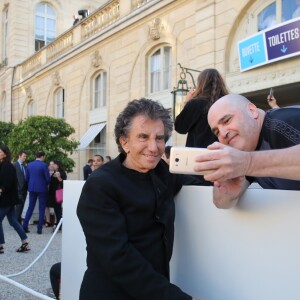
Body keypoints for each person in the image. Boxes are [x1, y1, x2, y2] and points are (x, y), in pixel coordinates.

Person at [77, 98, 203, 300]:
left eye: (160, 138)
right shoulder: (100, 186)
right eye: (143, 137)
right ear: (124, 141)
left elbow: (201, 184)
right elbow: (119, 259)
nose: (154, 147)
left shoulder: (163, 173)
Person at [193, 94, 300, 209]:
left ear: (252, 111)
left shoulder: (286, 121)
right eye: (217, 132)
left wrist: (248, 163)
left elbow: (249, 163)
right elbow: (222, 203)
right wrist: (225, 191)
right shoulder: (247, 149)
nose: (223, 133)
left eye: (227, 120)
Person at [174, 68, 228, 148]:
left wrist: (187, 102)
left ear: (201, 84)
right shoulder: (227, 102)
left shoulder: (195, 104)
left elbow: (180, 128)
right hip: (222, 152)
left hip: (198, 154)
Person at [0, 145, 30, 254]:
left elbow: (6, 184)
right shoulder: (4, 165)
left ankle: (0, 245)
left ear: (5, 154)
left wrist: (1, 190)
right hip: (9, 199)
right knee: (13, 221)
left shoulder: (7, 166)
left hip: (6, 199)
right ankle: (25, 242)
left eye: (0, 152)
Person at [23, 150, 50, 234]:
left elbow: (26, 178)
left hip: (32, 188)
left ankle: (24, 226)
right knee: (41, 208)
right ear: (42, 156)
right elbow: (48, 179)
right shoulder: (44, 165)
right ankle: (39, 228)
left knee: (30, 207)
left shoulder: (29, 165)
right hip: (42, 189)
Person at [47, 160, 67, 231]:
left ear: (58, 165)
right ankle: (58, 224)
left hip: (58, 193)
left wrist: (59, 177)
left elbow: (64, 183)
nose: (53, 166)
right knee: (56, 210)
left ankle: (59, 225)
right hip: (53, 194)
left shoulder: (62, 173)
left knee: (58, 210)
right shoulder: (54, 172)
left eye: (54, 165)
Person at [13, 151, 28, 224]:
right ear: (19, 156)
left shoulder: (25, 166)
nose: (25, 158)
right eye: (24, 156)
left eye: (25, 156)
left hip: (24, 190)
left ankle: (17, 221)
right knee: (18, 207)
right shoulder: (14, 165)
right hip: (17, 190)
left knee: (22, 206)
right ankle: (16, 222)